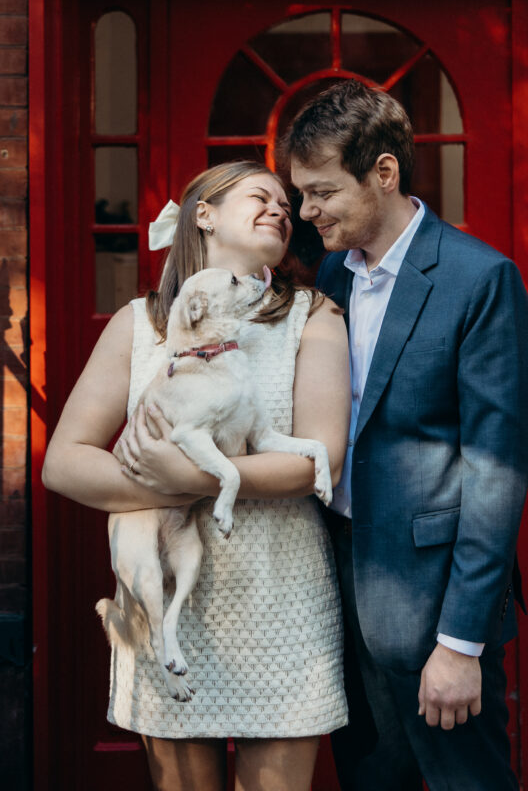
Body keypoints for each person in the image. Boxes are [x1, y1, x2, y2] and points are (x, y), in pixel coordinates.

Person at [42, 161, 350, 791]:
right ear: (202, 214)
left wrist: (191, 474)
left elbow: (318, 458)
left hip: (279, 597)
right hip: (170, 607)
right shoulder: (141, 323)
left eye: (288, 207)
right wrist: (174, 482)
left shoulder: (313, 316)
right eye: (260, 196)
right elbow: (65, 460)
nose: (282, 210)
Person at [284, 80, 528, 791]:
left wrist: (459, 644)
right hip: (337, 583)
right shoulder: (330, 270)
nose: (307, 212)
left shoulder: (480, 279)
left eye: (322, 192)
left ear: (384, 173)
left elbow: (495, 469)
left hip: (433, 604)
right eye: (300, 194)